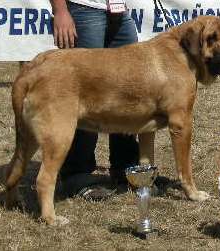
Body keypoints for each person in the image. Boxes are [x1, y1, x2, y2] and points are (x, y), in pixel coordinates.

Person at [50, 0, 139, 199]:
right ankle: (77, 175)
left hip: (119, 10)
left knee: (127, 92)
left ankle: (126, 169)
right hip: (83, 8)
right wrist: (60, 10)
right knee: (84, 93)